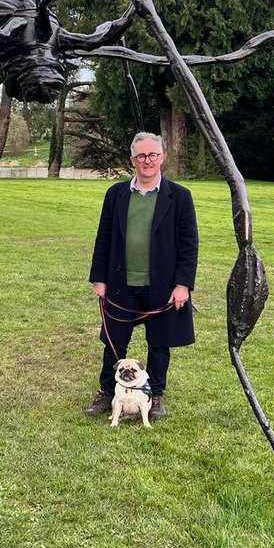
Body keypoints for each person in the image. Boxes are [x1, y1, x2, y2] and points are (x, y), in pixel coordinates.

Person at [86, 132, 198, 420]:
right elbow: (104, 238)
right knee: (113, 340)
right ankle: (107, 392)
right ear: (132, 160)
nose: (147, 161)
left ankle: (155, 394)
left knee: (160, 342)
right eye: (141, 156)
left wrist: (183, 284)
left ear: (162, 157)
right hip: (121, 283)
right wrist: (99, 278)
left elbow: (189, 244)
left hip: (162, 285)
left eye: (152, 155)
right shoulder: (116, 195)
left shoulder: (180, 196)